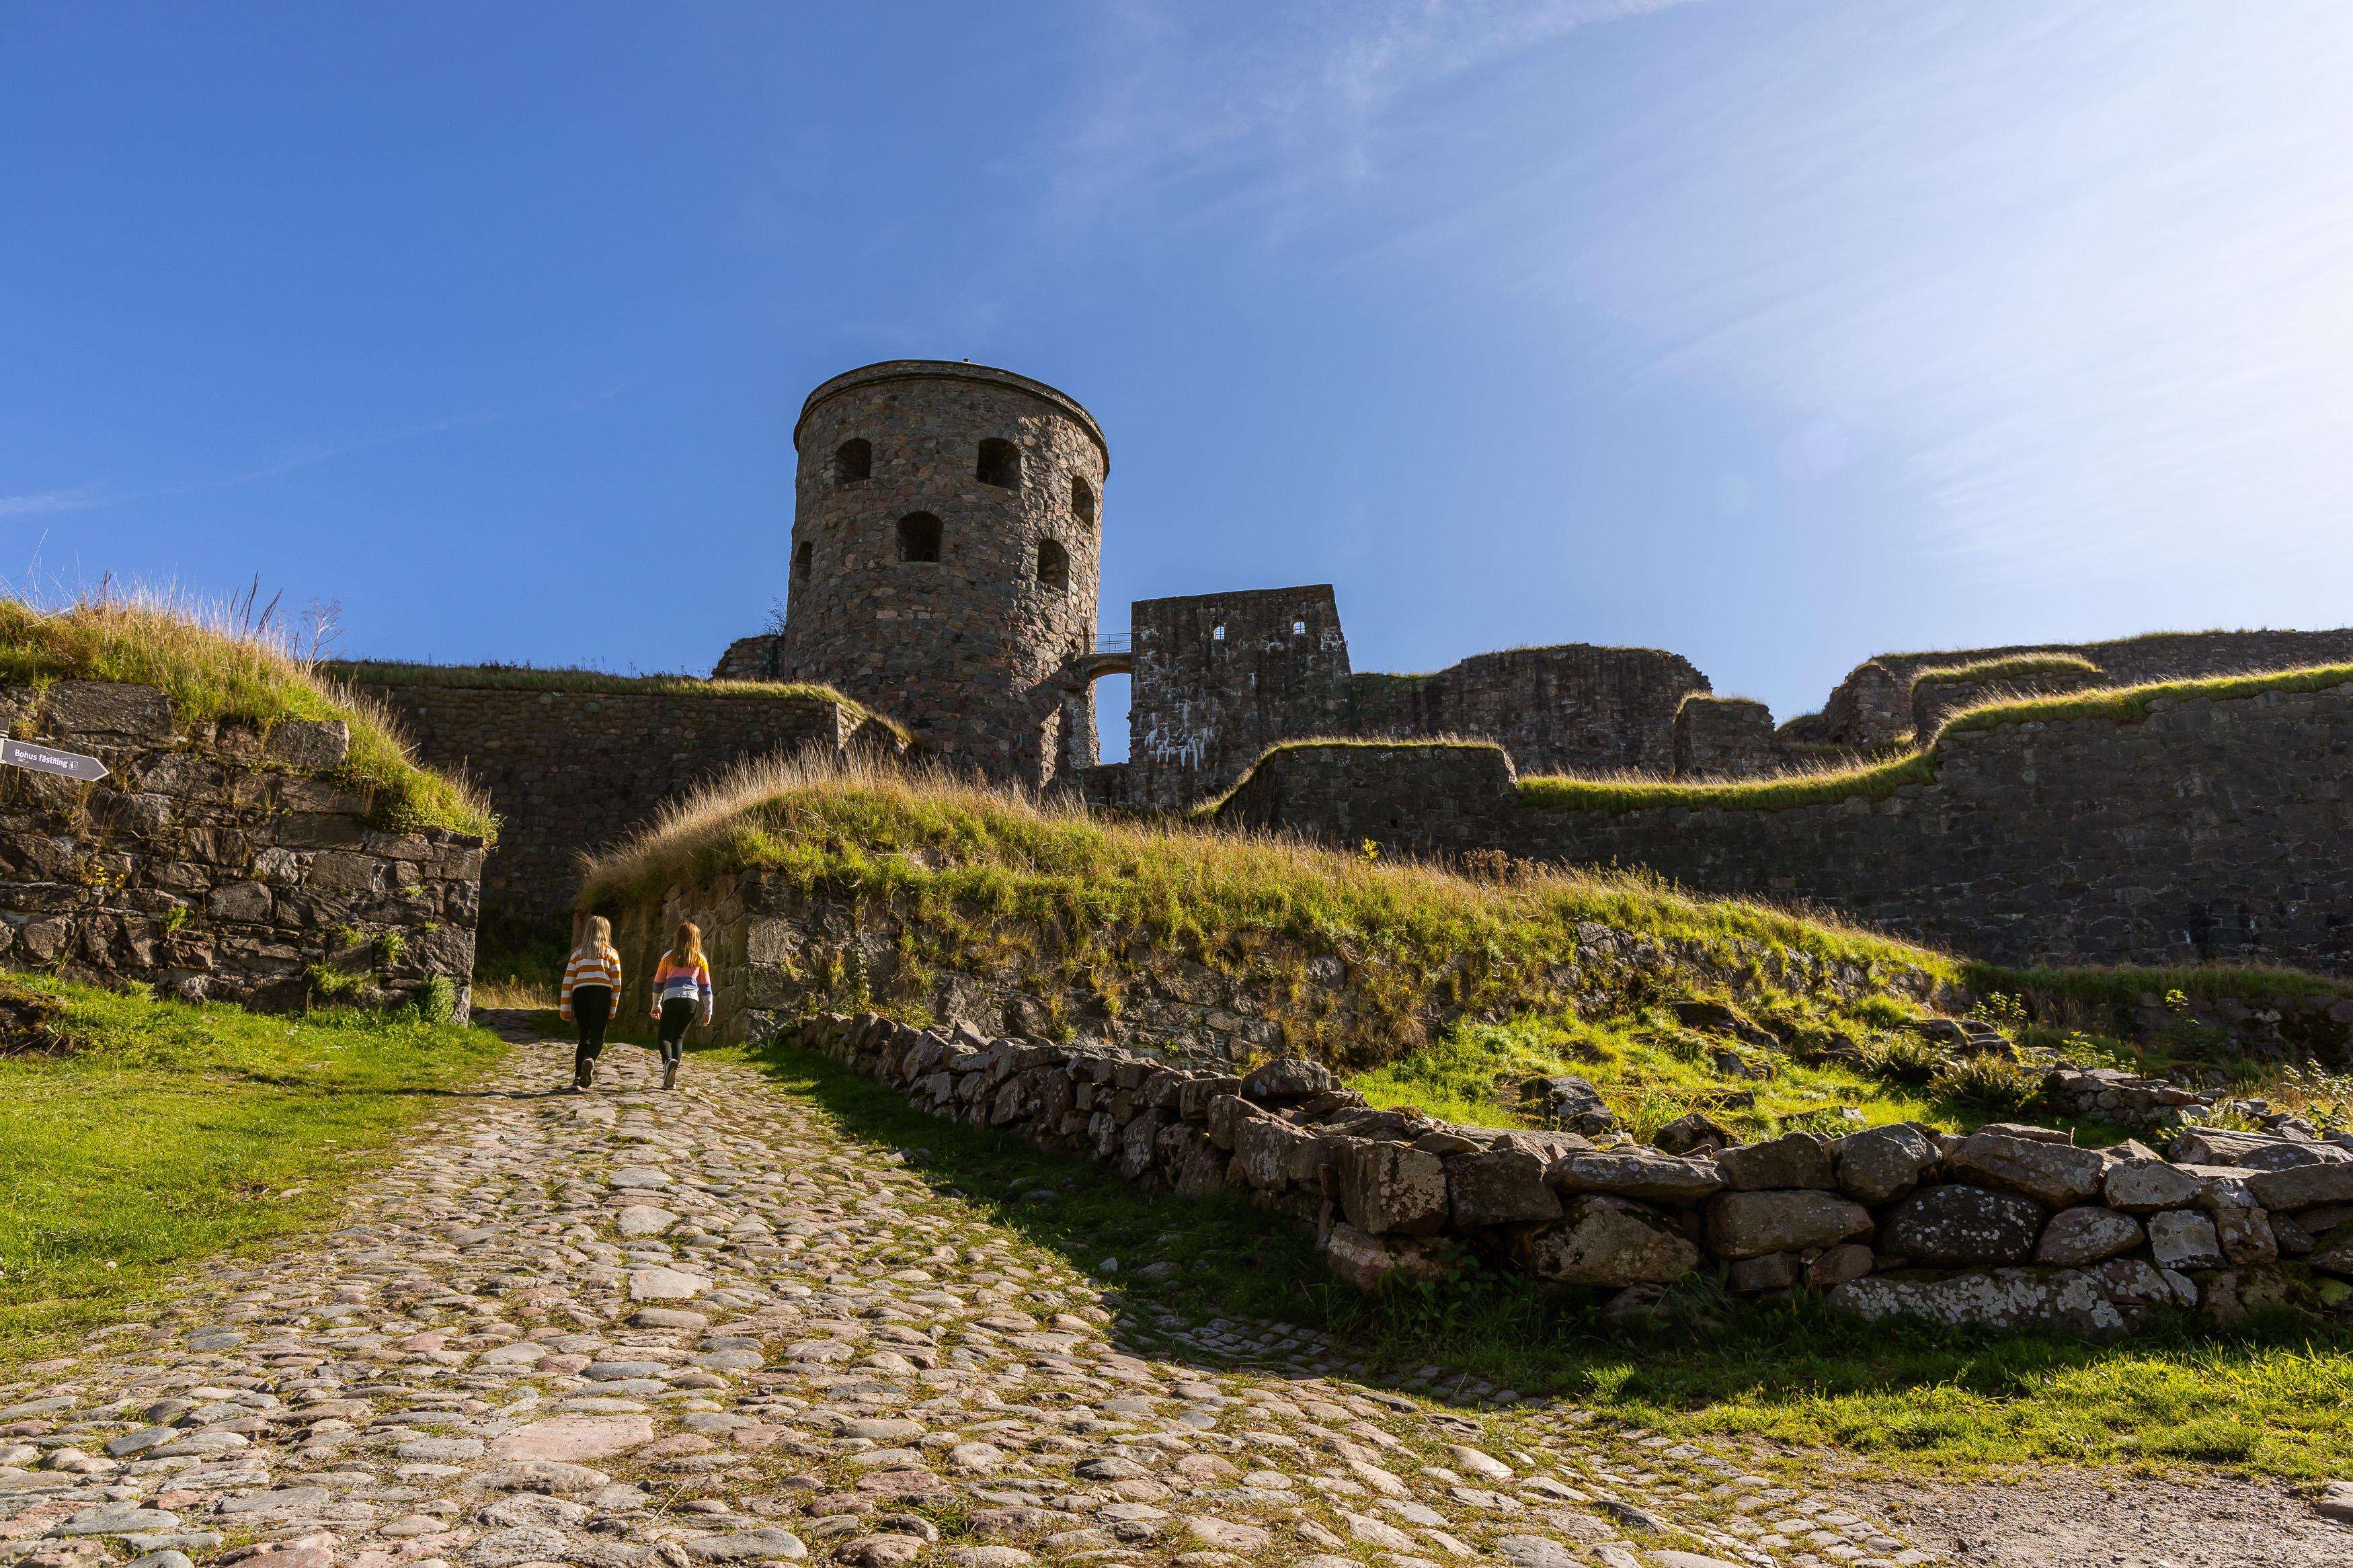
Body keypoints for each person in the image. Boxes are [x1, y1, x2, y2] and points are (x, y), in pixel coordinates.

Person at [647, 920, 713, 1092]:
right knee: (679, 1038)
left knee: (665, 1037)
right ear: (696, 939)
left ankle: (668, 1062)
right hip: (692, 1001)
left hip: (672, 999)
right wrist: (708, 1010)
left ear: (678, 938)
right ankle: (672, 1077)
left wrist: (656, 1005)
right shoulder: (700, 959)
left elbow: (658, 983)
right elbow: (706, 987)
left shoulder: (668, 957)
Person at [559, 915, 623, 1092]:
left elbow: (567, 982)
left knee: (583, 1037)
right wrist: (612, 1008)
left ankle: (577, 1078)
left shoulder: (577, 954)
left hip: (581, 994)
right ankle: (591, 1060)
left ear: (587, 930)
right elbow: (617, 984)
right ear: (606, 932)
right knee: (597, 1037)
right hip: (602, 994)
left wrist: (565, 1009)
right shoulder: (611, 954)